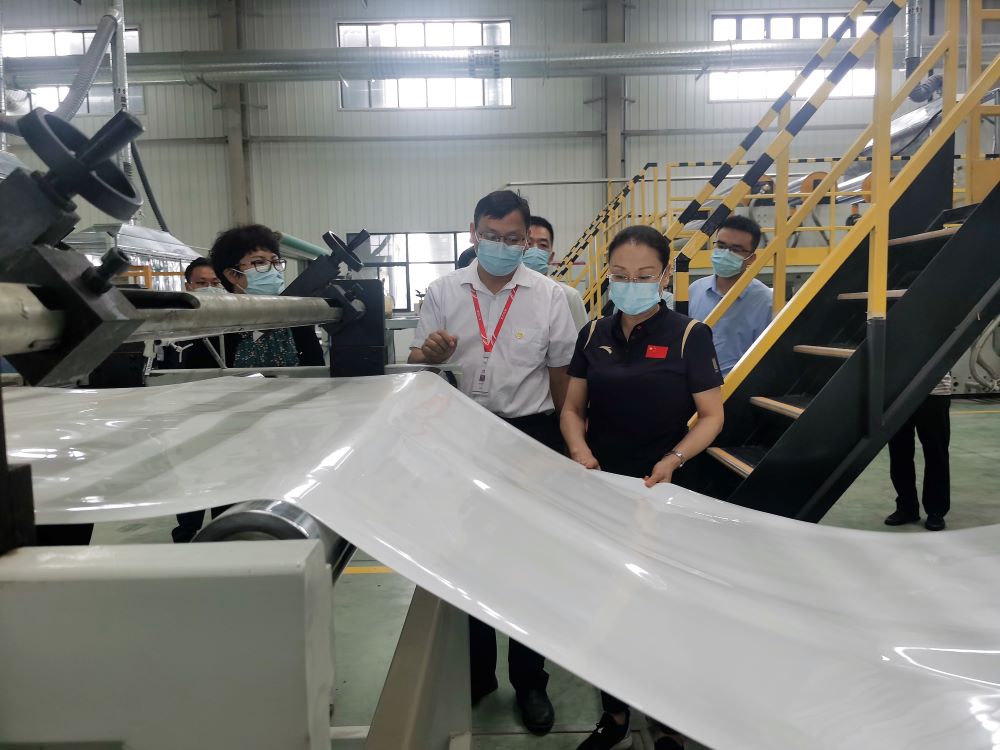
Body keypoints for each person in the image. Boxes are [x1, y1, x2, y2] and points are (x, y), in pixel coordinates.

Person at [409, 190, 577, 735]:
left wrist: (565, 448)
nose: (501, 246)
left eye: (512, 238)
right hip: (459, 433)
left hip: (529, 436)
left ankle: (530, 682)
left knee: (531, 566)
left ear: (526, 240)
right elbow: (417, 362)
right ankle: (477, 673)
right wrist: (429, 355)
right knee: (466, 559)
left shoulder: (549, 297)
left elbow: (561, 376)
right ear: (473, 232)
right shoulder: (443, 291)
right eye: (491, 235)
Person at [561, 225, 725, 750]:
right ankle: (614, 716)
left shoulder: (689, 334)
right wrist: (580, 452)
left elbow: (712, 415)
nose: (630, 284)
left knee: (664, 607)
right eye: (620, 275)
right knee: (606, 604)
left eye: (644, 275)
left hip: (664, 489)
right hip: (603, 489)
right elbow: (572, 408)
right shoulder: (593, 334)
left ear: (665, 275)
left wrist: (674, 459)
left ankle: (668, 722)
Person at [210, 224, 324, 367]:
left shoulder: (297, 322)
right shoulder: (213, 330)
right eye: (259, 262)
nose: (272, 269)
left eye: (275, 262)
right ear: (232, 274)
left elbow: (317, 368)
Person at [688, 214, 772, 376]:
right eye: (721, 246)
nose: (726, 253)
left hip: (740, 385)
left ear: (751, 259)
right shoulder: (695, 291)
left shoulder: (765, 302)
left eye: (736, 249)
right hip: (695, 384)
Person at [885, 372, 953, 531]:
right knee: (899, 452)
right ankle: (907, 507)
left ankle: (936, 510)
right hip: (898, 391)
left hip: (935, 391)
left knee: (936, 452)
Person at [522, 215, 589, 331]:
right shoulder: (505, 293)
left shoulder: (569, 297)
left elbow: (583, 339)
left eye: (543, 245)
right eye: (529, 243)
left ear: (551, 256)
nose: (534, 250)